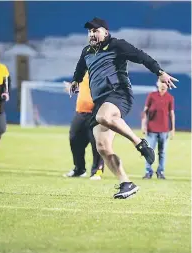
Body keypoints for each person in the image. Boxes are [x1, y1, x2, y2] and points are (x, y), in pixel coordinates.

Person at [65, 17, 178, 199]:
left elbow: (141, 57)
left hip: (119, 94)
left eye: (96, 30)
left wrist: (160, 72)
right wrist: (75, 81)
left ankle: (140, 143)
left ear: (106, 32)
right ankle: (127, 183)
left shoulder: (117, 45)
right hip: (100, 102)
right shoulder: (86, 51)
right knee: (102, 146)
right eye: (90, 31)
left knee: (104, 117)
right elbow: (80, 69)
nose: (92, 34)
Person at [64, 72, 104, 180]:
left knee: (96, 144)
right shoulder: (84, 72)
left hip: (96, 113)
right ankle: (79, 169)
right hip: (80, 112)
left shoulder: (104, 72)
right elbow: (83, 89)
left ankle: (97, 171)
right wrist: (73, 89)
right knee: (74, 139)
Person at [141, 81, 175, 180]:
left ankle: (160, 171)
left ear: (168, 85)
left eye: (165, 83)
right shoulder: (152, 95)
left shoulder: (170, 98)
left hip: (164, 130)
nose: (163, 85)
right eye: (162, 82)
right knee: (149, 151)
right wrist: (143, 125)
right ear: (158, 83)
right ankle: (148, 171)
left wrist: (172, 129)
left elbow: (171, 114)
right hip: (151, 129)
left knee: (162, 152)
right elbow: (145, 111)